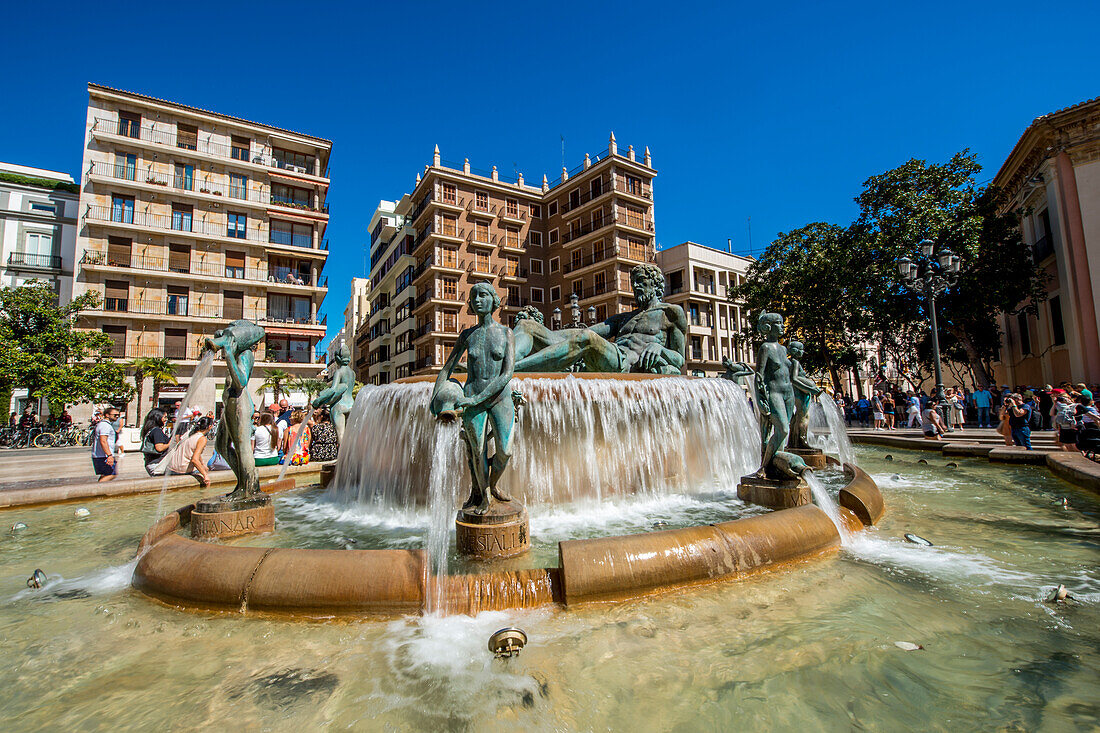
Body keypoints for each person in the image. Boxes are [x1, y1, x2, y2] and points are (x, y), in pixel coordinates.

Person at [166, 416, 212, 486]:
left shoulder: (190, 434)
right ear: (210, 426)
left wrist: (202, 465)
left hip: (171, 468)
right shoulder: (202, 439)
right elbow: (194, 460)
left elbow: (195, 452)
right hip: (182, 471)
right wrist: (205, 475)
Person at [91, 406, 122, 482]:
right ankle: (96, 490)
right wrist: (109, 455)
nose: (117, 417)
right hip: (103, 456)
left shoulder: (104, 424)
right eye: (115, 415)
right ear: (107, 415)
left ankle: (99, 491)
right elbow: (103, 441)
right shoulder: (105, 425)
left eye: (118, 415)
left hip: (101, 455)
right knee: (111, 474)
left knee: (105, 474)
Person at [140, 408, 171, 476]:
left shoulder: (150, 429)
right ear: (158, 417)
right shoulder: (157, 431)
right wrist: (170, 443)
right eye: (164, 417)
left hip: (151, 463)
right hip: (157, 464)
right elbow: (159, 448)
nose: (166, 419)